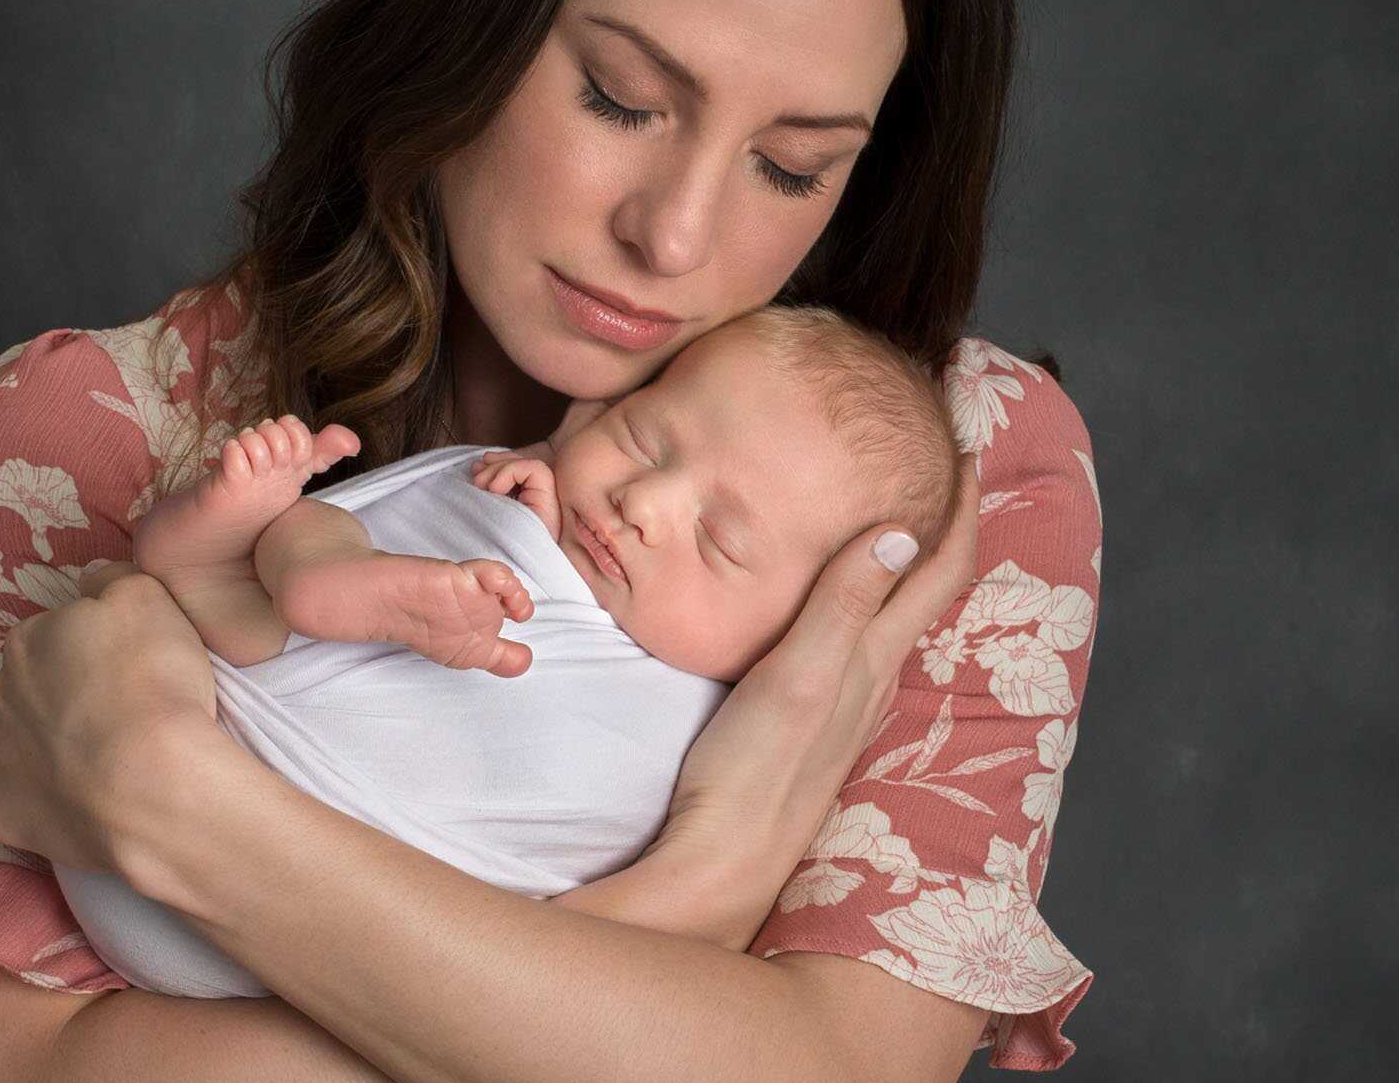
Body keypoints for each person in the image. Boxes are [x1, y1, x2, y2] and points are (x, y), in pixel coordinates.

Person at [0, 0, 1102, 1083]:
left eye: (791, 164)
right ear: (471, 12)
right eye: (622, 97)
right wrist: (682, 909)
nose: (675, 234)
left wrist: (176, 801)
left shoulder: (942, 484)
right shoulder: (94, 432)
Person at [51, 306, 965, 1002]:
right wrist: (515, 497)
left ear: (810, 619)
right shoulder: (513, 489)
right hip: (188, 768)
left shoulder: (737, 722)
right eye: (645, 438)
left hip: (319, 935)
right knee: (311, 535)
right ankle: (272, 570)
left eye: (720, 540)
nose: (646, 501)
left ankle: (282, 579)